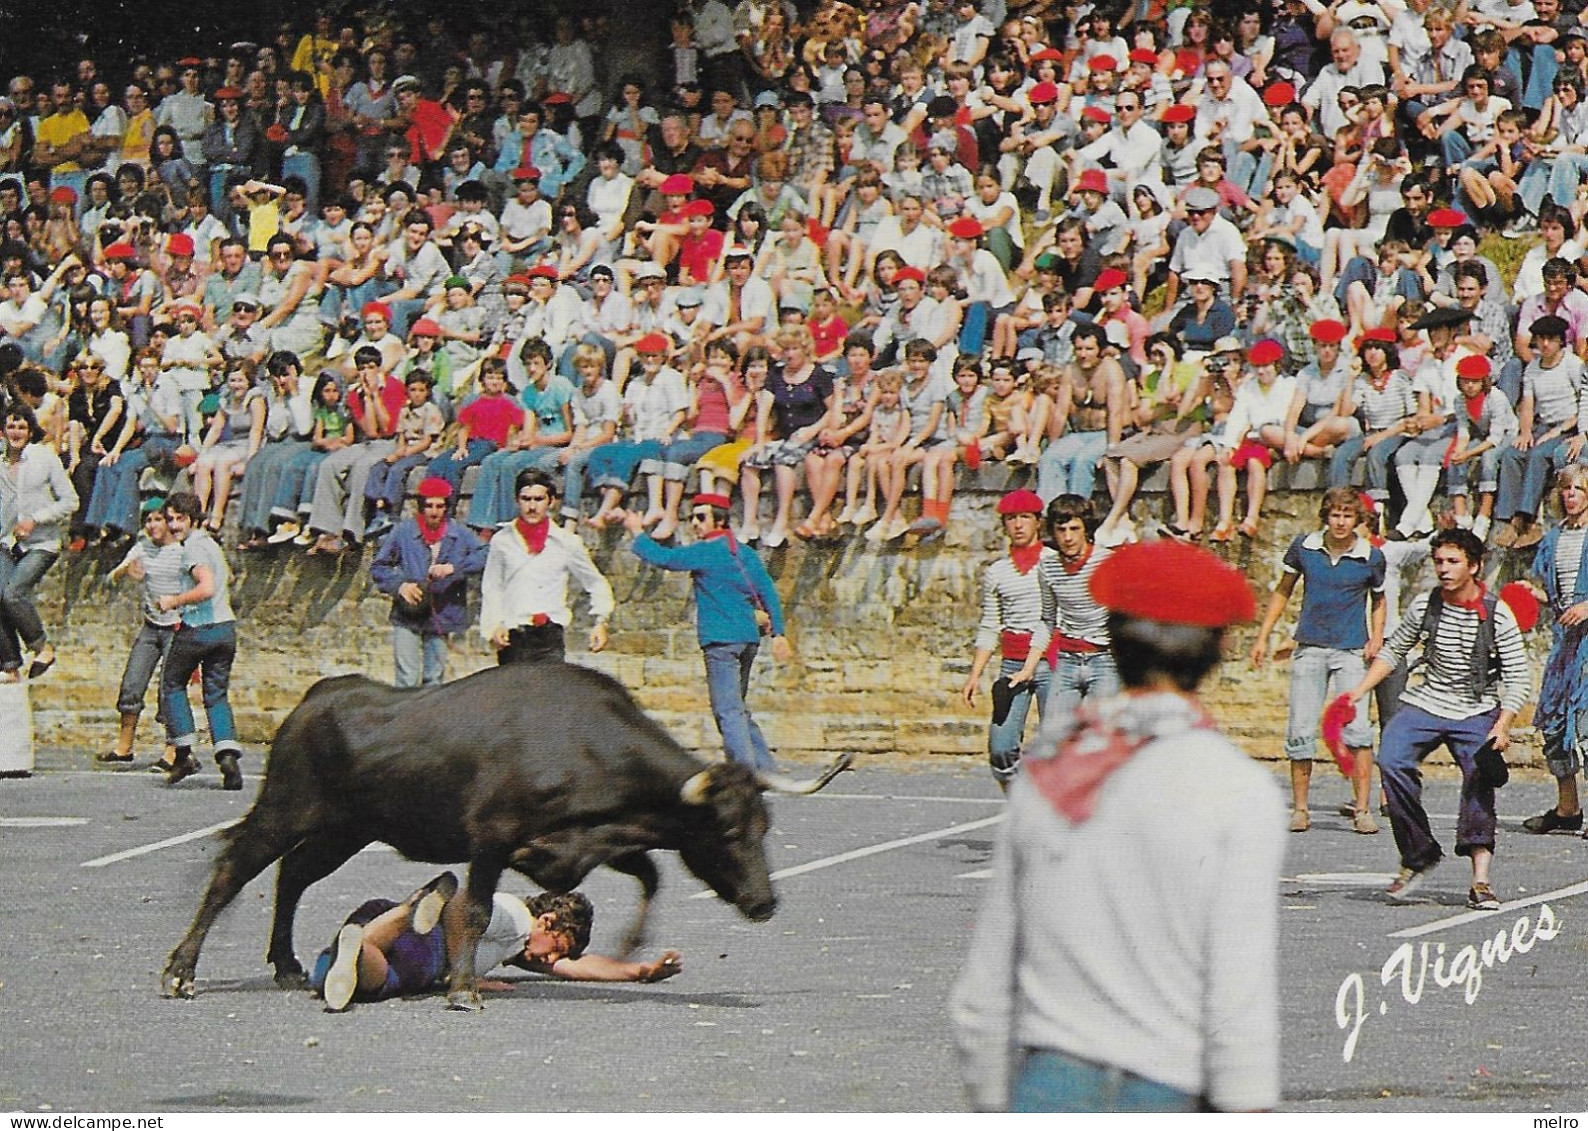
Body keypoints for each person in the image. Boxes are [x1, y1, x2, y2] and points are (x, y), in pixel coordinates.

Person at [950, 540, 1282, 1113]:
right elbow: (1238, 991)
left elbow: (987, 978)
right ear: (1219, 650)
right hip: (1168, 1082)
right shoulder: (1239, 790)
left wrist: (990, 1097)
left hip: (1046, 1081)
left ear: (1114, 638)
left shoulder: (1051, 768)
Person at [1342, 529, 1530, 909]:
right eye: (1439, 561)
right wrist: (1358, 692)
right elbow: (1394, 650)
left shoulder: (1496, 612)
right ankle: (1418, 855)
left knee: (1479, 776)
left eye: (1453, 562)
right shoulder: (1426, 604)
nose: (1443, 569)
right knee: (1392, 759)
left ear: (1474, 567)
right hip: (1427, 701)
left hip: (1476, 708)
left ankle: (1480, 880)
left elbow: (1518, 674)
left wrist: (1503, 723)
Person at [311, 872, 681, 1013]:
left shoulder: (518, 942)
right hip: (426, 945)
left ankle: (357, 943)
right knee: (389, 980)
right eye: (557, 945)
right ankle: (406, 910)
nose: (552, 957)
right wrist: (464, 975)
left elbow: (575, 967)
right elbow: (460, 903)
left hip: (381, 922)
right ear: (547, 920)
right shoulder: (515, 919)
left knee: (335, 978)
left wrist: (640, 971)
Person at [619, 492, 790, 773]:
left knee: (727, 709)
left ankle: (744, 772)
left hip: (721, 640)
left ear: (719, 521)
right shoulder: (743, 552)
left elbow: (664, 558)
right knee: (737, 706)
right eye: (692, 517)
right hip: (748, 638)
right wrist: (779, 632)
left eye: (700, 517)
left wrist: (637, 532)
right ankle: (764, 765)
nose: (694, 524)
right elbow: (767, 590)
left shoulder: (706, 551)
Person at [1249, 487, 1386, 834]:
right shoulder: (1304, 548)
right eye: (1335, 515)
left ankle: (1362, 808)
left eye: (1347, 516)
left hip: (1350, 651)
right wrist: (1264, 636)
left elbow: (1378, 600)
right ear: (1326, 516)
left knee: (1357, 730)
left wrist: (1376, 635)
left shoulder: (1370, 556)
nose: (1340, 522)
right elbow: (1283, 591)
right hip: (1309, 647)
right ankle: (1300, 808)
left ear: (1357, 520)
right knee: (1300, 728)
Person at [962, 489, 1055, 787]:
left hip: (1050, 662)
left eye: (1024, 518)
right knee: (1001, 748)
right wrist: (974, 675)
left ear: (1037, 522)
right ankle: (1021, 811)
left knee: (1058, 745)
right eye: (1011, 519)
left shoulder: (1053, 563)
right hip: (1012, 662)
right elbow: (990, 624)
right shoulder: (997, 572)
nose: (1018, 525)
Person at [479, 469, 613, 665]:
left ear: (550, 501)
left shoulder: (567, 542)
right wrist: (494, 626)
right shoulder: (502, 541)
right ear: (517, 500)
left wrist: (601, 621)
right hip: (514, 635)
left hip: (549, 637)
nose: (532, 506)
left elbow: (595, 582)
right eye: (526, 499)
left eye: (538, 499)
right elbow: (492, 587)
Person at [158, 491, 245, 791]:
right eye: (170, 519)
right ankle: (227, 755)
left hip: (199, 628)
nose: (173, 525)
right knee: (216, 694)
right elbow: (227, 579)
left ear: (194, 519)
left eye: (179, 519)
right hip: (225, 629)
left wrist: (174, 601)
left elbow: (206, 587)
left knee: (172, 684)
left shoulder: (193, 548)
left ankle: (183, 753)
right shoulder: (212, 545)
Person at [369, 477, 488, 689]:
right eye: (429, 505)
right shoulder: (404, 531)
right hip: (409, 612)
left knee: (434, 679)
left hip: (442, 612)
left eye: (440, 506)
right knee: (407, 678)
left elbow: (486, 554)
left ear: (447, 507)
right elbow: (379, 566)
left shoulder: (459, 532)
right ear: (421, 506)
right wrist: (400, 586)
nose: (434, 511)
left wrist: (454, 568)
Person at [1522, 465, 1588, 835]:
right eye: (1566, 488)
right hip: (1565, 645)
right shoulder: (1555, 538)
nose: (1570, 494)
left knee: (1587, 725)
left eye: (1578, 488)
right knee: (1555, 724)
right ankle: (1567, 808)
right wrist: (1534, 596)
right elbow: (1556, 597)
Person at [101, 497, 183, 767]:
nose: (152, 525)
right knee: (131, 685)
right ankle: (124, 747)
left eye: (157, 519)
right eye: (148, 520)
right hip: (151, 627)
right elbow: (111, 576)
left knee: (168, 690)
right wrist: (125, 572)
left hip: (178, 628)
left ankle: (172, 751)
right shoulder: (143, 548)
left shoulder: (184, 550)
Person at [0, 402, 76, 681]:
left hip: (41, 543)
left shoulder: (44, 458)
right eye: (11, 426)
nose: (16, 431)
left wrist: (36, 518)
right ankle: (9, 665)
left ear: (30, 431)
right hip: (7, 542)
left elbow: (71, 501)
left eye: (21, 426)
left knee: (13, 593)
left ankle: (43, 647)